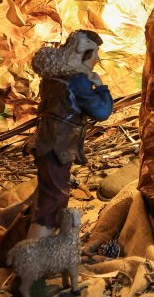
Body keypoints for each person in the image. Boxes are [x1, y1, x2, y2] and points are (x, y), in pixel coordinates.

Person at [27, 31, 114, 239]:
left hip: (49, 142)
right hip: (57, 146)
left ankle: (38, 249)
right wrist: (101, 87)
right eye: (95, 54)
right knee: (53, 201)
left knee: (48, 196)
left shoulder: (54, 76)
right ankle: (33, 255)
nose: (97, 60)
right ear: (85, 53)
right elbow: (101, 111)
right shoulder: (77, 80)